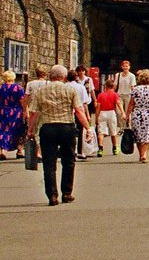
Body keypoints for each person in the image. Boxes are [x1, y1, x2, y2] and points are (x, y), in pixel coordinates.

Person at [27, 64, 92, 205]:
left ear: (50, 76)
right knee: (69, 161)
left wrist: (30, 131)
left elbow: (33, 113)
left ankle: (52, 195)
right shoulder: (70, 90)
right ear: (64, 76)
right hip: (66, 127)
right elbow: (79, 110)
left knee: (49, 163)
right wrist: (88, 128)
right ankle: (66, 193)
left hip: (48, 128)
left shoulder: (40, 91)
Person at [126, 70, 149, 163]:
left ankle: (141, 154)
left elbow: (131, 104)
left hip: (137, 113)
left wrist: (127, 115)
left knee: (138, 135)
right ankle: (144, 155)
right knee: (148, 135)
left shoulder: (136, 89)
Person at [22, 66, 49, 159]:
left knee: (34, 130)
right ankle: (39, 151)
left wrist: (25, 111)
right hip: (45, 109)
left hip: (33, 108)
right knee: (42, 130)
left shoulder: (30, 84)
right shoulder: (48, 84)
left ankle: (36, 151)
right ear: (46, 74)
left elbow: (25, 99)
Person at [0, 70, 26, 160]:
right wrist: (26, 112)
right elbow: (22, 101)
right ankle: (19, 150)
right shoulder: (18, 88)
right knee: (17, 130)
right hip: (16, 112)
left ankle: (2, 151)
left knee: (3, 131)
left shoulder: (1, 88)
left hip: (3, 111)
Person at [71, 66, 95, 159]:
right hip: (80, 109)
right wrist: (87, 115)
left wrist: (95, 100)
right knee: (80, 131)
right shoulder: (80, 87)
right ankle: (79, 152)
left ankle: (73, 151)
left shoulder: (88, 80)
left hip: (71, 110)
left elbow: (91, 90)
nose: (81, 72)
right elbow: (84, 103)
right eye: (79, 71)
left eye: (83, 71)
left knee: (72, 131)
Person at [94, 79, 121, 156]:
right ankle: (115, 148)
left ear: (105, 86)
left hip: (102, 113)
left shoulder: (100, 95)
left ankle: (100, 149)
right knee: (113, 132)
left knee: (101, 132)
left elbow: (98, 107)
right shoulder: (115, 95)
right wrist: (122, 112)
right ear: (114, 86)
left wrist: (96, 118)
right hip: (111, 112)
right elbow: (118, 103)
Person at [114, 60, 136, 130]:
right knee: (119, 112)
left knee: (127, 112)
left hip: (128, 95)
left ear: (129, 67)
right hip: (119, 95)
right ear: (121, 67)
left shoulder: (132, 76)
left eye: (127, 66)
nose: (125, 67)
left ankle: (128, 127)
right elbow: (115, 85)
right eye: (124, 66)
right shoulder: (118, 75)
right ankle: (121, 127)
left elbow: (132, 87)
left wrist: (134, 96)